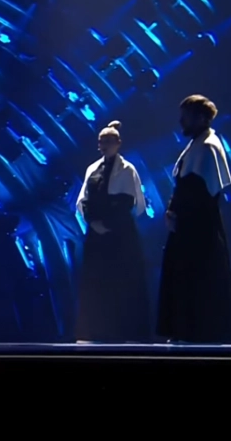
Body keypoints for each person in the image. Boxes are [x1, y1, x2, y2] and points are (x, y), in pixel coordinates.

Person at [156, 95, 231, 344]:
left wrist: (181, 216)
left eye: (186, 116)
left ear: (201, 118)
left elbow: (203, 193)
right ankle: (183, 331)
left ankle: (198, 333)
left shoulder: (208, 147)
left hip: (199, 231)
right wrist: (172, 212)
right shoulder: (195, 145)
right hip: (184, 229)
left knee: (200, 280)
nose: (182, 121)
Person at [75, 121, 151, 343]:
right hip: (96, 236)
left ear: (118, 143)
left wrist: (111, 224)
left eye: (109, 141)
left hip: (120, 236)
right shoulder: (92, 169)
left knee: (122, 282)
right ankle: (97, 330)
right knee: (97, 283)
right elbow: (83, 201)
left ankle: (125, 331)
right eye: (102, 141)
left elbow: (131, 203)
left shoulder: (128, 170)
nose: (105, 145)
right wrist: (93, 222)